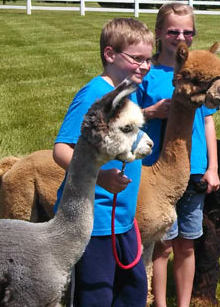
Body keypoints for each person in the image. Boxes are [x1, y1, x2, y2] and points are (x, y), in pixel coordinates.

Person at [53, 17, 155, 306]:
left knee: (132, 293)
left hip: (122, 219)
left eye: (148, 59)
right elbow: (61, 149)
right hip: (92, 221)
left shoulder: (125, 95)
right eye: (137, 59)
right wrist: (100, 177)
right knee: (95, 295)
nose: (145, 66)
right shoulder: (95, 95)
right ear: (110, 54)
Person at [136, 3, 220, 307]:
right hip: (155, 170)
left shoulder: (199, 71)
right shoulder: (147, 73)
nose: (180, 37)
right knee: (162, 243)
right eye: (173, 31)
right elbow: (129, 117)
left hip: (193, 167)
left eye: (187, 31)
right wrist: (151, 112)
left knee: (187, 242)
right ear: (159, 32)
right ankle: (159, 301)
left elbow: (208, 121)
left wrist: (212, 166)